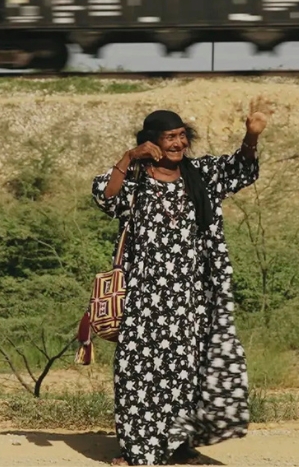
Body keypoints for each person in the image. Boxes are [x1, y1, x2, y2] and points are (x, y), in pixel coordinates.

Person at [91, 97, 274, 466]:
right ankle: (138, 450)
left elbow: (240, 169)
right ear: (151, 142)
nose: (178, 143)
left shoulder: (200, 175)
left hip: (190, 297)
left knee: (185, 371)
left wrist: (251, 136)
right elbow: (105, 197)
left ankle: (178, 445)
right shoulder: (136, 179)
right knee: (139, 372)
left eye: (181, 136)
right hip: (143, 295)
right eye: (169, 137)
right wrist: (129, 157)